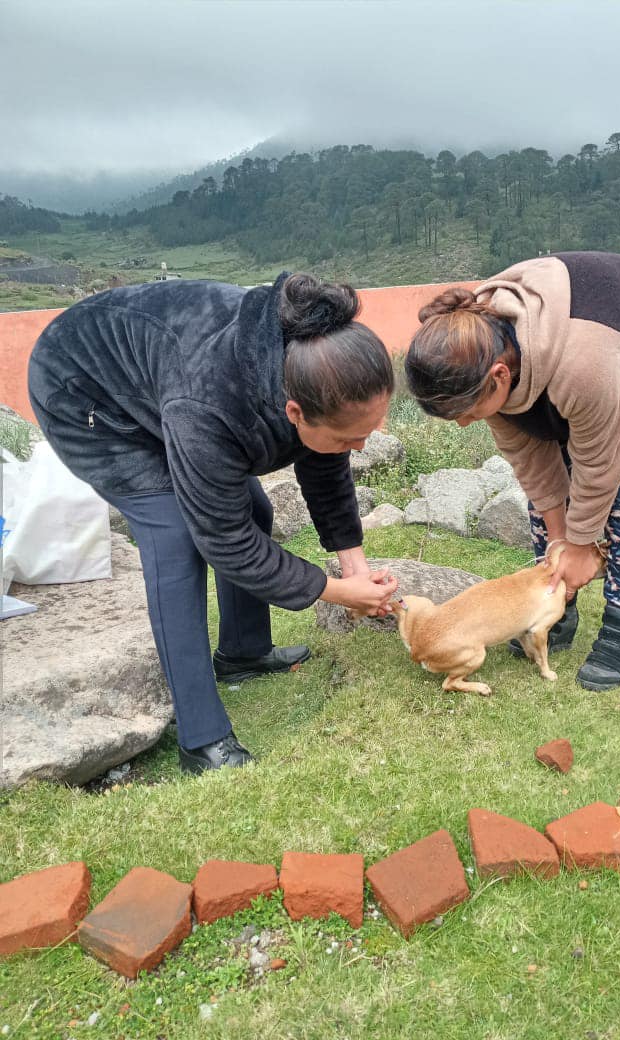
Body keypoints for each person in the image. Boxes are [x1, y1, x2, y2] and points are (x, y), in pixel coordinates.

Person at [28, 272, 398, 773]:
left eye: (366, 435)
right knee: (176, 537)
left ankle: (244, 653)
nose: (358, 449)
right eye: (349, 439)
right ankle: (202, 740)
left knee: (256, 508)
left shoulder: (312, 365)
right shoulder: (210, 403)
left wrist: (354, 564)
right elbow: (228, 542)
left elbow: (324, 457)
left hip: (163, 383)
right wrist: (337, 591)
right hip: (85, 394)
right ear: (294, 410)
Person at [404, 251, 620, 691]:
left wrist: (583, 545)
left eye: (466, 413)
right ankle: (553, 609)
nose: (466, 423)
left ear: (500, 375)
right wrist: (562, 541)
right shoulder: (478, 348)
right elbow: (536, 469)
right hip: (567, 359)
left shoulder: (582, 365)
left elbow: (602, 463)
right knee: (550, 501)